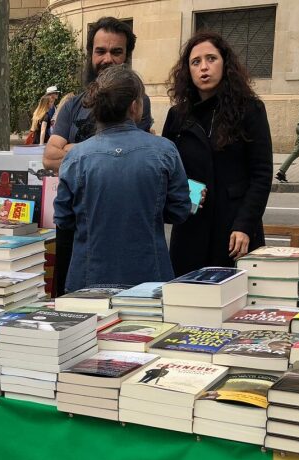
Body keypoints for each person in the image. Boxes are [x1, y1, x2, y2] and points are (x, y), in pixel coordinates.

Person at [53, 66, 191, 291]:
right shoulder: (165, 151)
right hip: (149, 278)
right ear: (135, 107)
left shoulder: (76, 157)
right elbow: (180, 210)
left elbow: (63, 218)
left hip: (88, 279)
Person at [42, 17, 152, 296]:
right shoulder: (72, 105)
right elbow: (50, 158)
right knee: (69, 306)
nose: (107, 59)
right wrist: (100, 152)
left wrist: (74, 151)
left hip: (122, 226)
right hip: (73, 225)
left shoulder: (138, 102)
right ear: (90, 54)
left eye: (117, 52)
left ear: (127, 57)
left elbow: (129, 156)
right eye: (100, 51)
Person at [162, 31, 273, 274]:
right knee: (188, 301)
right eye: (196, 62)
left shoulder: (250, 109)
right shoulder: (177, 116)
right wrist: (184, 192)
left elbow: (262, 174)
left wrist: (245, 225)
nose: (204, 67)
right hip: (191, 226)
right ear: (187, 71)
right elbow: (166, 172)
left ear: (225, 63)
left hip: (234, 229)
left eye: (211, 59)